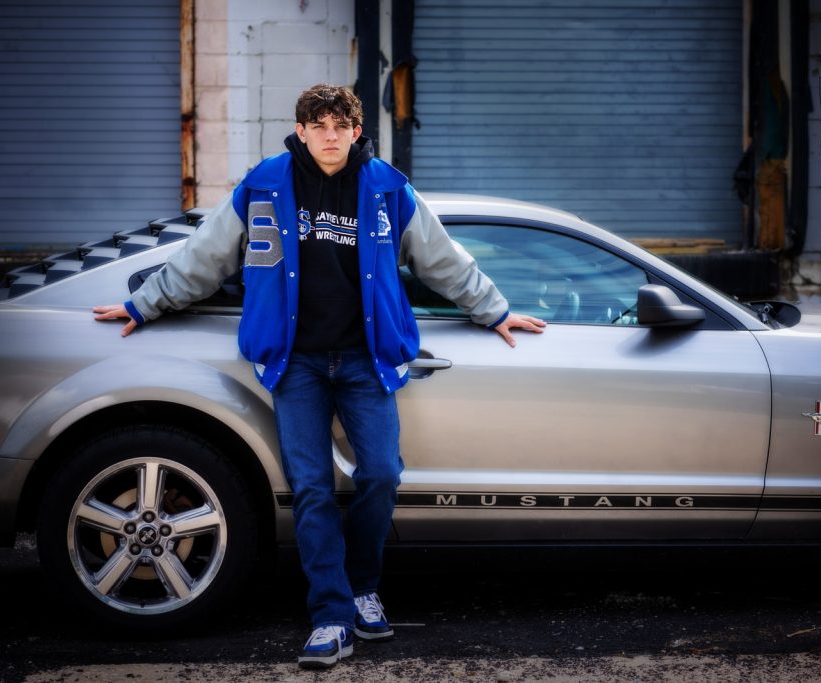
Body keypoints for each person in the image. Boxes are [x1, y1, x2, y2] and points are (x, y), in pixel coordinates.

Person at [93, 83, 545, 669]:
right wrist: (143, 304)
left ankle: (361, 587)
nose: (330, 136)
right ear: (301, 130)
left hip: (366, 358)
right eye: (318, 125)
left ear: (357, 131)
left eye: (340, 125)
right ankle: (330, 616)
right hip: (294, 360)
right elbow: (205, 258)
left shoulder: (387, 188)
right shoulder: (263, 184)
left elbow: (442, 259)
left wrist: (495, 310)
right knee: (311, 490)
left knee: (381, 475)